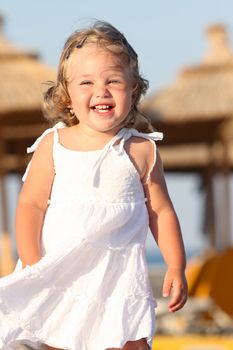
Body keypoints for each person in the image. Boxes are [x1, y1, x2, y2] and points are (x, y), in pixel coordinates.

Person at [0, 20, 187, 350]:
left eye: (113, 80)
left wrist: (175, 265)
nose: (101, 90)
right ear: (67, 97)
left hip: (118, 277)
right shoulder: (54, 145)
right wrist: (32, 263)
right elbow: (31, 205)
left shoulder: (142, 151)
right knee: (58, 337)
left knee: (131, 340)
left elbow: (161, 211)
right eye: (86, 82)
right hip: (61, 272)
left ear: (133, 90)